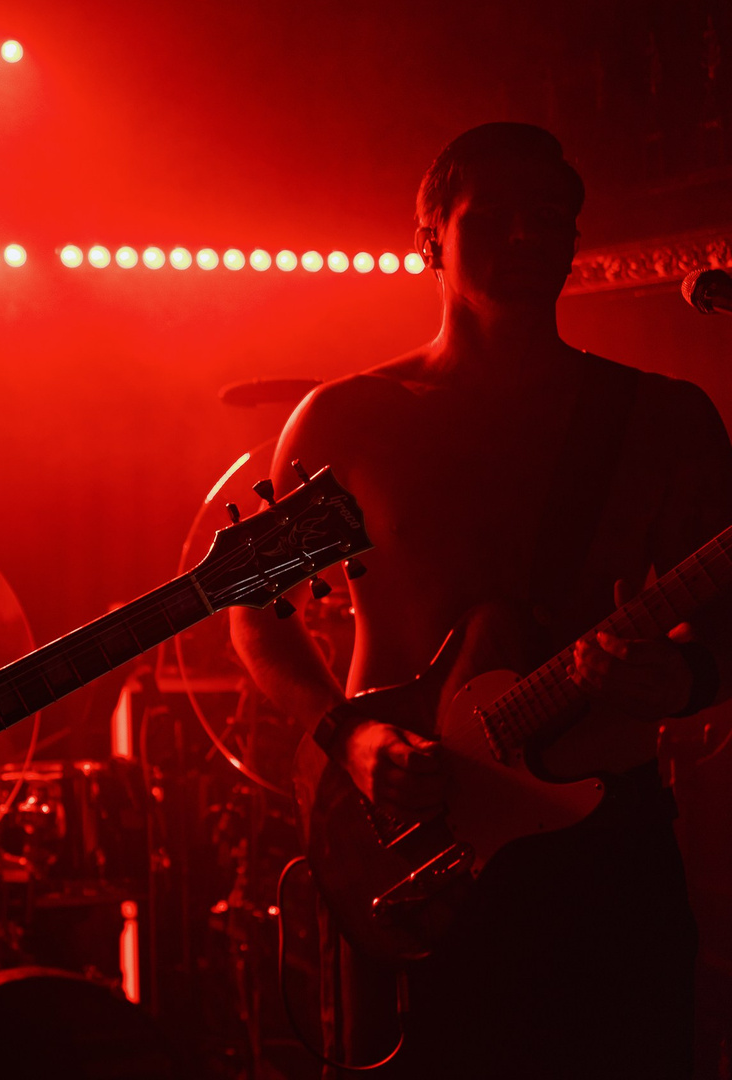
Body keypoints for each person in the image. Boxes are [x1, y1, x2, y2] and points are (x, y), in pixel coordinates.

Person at [230, 123, 732, 1078]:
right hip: (416, 845)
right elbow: (256, 613)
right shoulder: (349, 420)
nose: (527, 234)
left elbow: (728, 622)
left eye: (550, 216)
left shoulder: (663, 420)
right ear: (430, 237)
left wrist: (687, 676)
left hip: (608, 849)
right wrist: (349, 738)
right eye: (492, 215)